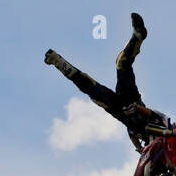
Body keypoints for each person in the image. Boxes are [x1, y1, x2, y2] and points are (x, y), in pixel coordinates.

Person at [45, 12, 168, 149]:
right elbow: (151, 114)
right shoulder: (160, 124)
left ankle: (57, 61)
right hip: (131, 100)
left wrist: (139, 148)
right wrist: (137, 108)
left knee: (91, 89)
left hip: (118, 110)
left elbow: (131, 134)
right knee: (121, 64)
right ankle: (138, 37)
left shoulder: (139, 132)